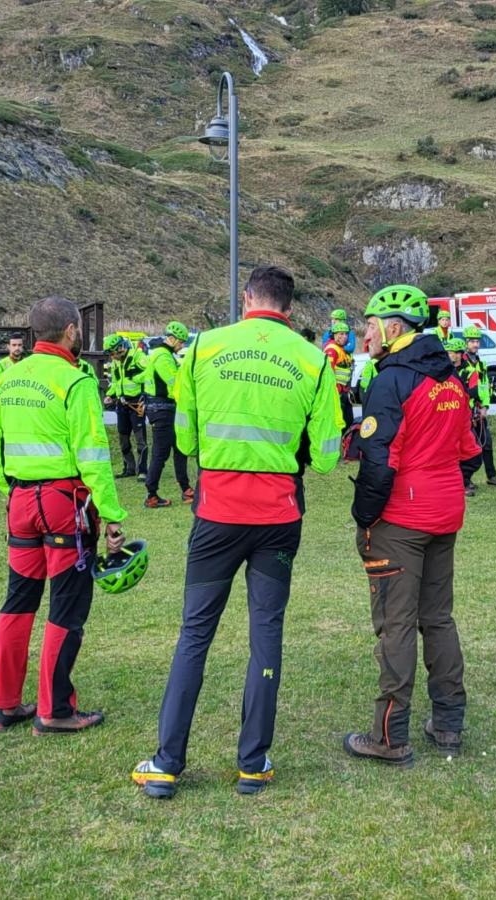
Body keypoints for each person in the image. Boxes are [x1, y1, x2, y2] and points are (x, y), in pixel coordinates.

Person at [131, 266, 341, 800]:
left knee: (194, 635)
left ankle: (166, 763)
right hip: (277, 517)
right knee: (265, 635)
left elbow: (183, 439)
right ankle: (253, 763)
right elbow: (325, 459)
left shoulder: (202, 347)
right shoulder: (314, 361)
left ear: (247, 299)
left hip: (217, 513)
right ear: (289, 310)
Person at [343, 284, 478, 767]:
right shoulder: (451, 378)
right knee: (437, 618)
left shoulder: (392, 380)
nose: (365, 333)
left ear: (394, 327)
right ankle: (448, 723)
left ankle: (389, 735)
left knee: (396, 624)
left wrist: (364, 518)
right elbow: (469, 452)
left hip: (401, 518)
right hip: (444, 513)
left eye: (371, 323)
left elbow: (379, 460)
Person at [0, 296, 127, 735]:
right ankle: (55, 710)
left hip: (21, 502)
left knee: (18, 603)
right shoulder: (75, 381)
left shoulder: (8, 378)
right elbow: (92, 456)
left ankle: (4, 704)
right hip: (64, 505)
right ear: (70, 330)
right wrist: (113, 514)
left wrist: (11, 491)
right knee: (66, 605)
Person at [143, 321, 193, 509]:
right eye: (180, 342)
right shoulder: (162, 356)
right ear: (171, 339)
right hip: (162, 409)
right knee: (161, 453)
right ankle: (152, 494)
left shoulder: (162, 354)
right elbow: (174, 384)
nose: (181, 346)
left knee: (180, 448)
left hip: (166, 409)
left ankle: (186, 488)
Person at [463, 325, 496, 487]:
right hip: (467, 411)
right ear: (466, 343)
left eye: (477, 341)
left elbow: (485, 386)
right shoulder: (462, 363)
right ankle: (466, 479)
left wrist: (485, 406)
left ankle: (491, 475)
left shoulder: (481, 363)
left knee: (486, 443)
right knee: (469, 446)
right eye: (472, 341)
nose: (475, 344)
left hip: (479, 410)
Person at [102, 334, 149, 479]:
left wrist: (135, 376)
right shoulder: (116, 362)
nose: (111, 357)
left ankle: (142, 470)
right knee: (123, 436)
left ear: (120, 348)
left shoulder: (138, 356)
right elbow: (116, 382)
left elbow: (149, 373)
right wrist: (110, 395)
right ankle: (129, 468)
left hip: (137, 402)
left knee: (140, 438)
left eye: (112, 353)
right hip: (122, 404)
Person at [446, 338, 485, 496]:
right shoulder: (443, 371)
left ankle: (464, 479)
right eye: (449, 352)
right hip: (448, 415)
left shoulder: (470, 371)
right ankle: (460, 482)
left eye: (454, 352)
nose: (451, 355)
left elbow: (474, 391)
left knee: (474, 453)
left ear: (460, 354)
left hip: (465, 416)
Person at [324, 320, 356, 432]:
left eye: (346, 334)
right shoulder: (332, 350)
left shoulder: (342, 349)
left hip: (344, 392)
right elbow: (328, 373)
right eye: (341, 334)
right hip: (337, 393)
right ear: (334, 335)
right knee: (340, 424)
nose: (344, 336)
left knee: (349, 422)